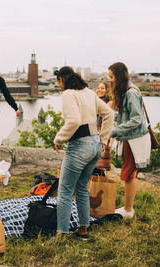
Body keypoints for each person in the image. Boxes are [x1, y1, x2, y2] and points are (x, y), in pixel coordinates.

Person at [53, 66, 114, 239]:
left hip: (79, 146)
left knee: (64, 191)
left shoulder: (68, 94)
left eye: (58, 82)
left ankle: (61, 235)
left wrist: (58, 138)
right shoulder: (88, 92)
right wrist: (103, 139)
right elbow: (109, 114)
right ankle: (83, 230)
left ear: (61, 80)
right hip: (95, 144)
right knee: (81, 188)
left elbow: (73, 121)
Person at [108, 62, 151, 219]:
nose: (110, 81)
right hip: (131, 138)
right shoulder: (127, 90)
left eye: (111, 77)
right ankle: (127, 208)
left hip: (134, 139)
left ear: (118, 76)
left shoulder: (130, 93)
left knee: (129, 173)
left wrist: (113, 131)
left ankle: (128, 210)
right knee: (130, 173)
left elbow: (137, 119)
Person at [95, 82, 113, 171]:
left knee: (102, 164)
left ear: (107, 90)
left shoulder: (109, 103)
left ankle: (100, 181)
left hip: (104, 135)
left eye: (102, 88)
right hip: (95, 134)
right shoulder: (96, 101)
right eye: (98, 88)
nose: (99, 90)